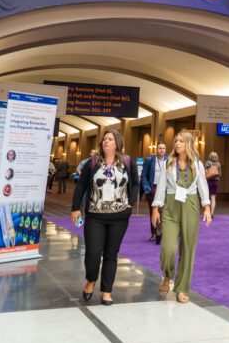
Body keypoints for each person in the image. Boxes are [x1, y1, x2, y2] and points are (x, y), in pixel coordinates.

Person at [71, 129, 139, 305]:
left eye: (110, 139)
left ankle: (107, 291)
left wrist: (130, 203)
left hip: (120, 216)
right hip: (95, 215)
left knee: (111, 254)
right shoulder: (92, 163)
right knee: (93, 253)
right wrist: (75, 208)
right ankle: (91, 279)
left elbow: (135, 184)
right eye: (104, 139)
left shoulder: (127, 162)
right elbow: (82, 185)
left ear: (117, 142)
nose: (106, 141)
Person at [151, 132, 212, 303]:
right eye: (176, 141)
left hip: (191, 204)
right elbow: (161, 186)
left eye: (181, 141)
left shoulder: (197, 164)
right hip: (171, 206)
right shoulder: (168, 163)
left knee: (188, 249)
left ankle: (182, 288)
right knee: (168, 248)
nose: (177, 143)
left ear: (189, 144)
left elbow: (203, 186)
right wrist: (156, 207)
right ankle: (167, 275)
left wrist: (207, 207)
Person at [141, 141, 168, 243]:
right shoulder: (150, 160)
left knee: (163, 211)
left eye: (163, 148)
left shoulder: (168, 160)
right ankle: (154, 232)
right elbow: (144, 175)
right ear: (156, 149)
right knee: (154, 211)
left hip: (165, 189)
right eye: (160, 148)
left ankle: (160, 232)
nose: (161, 150)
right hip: (153, 188)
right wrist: (147, 189)